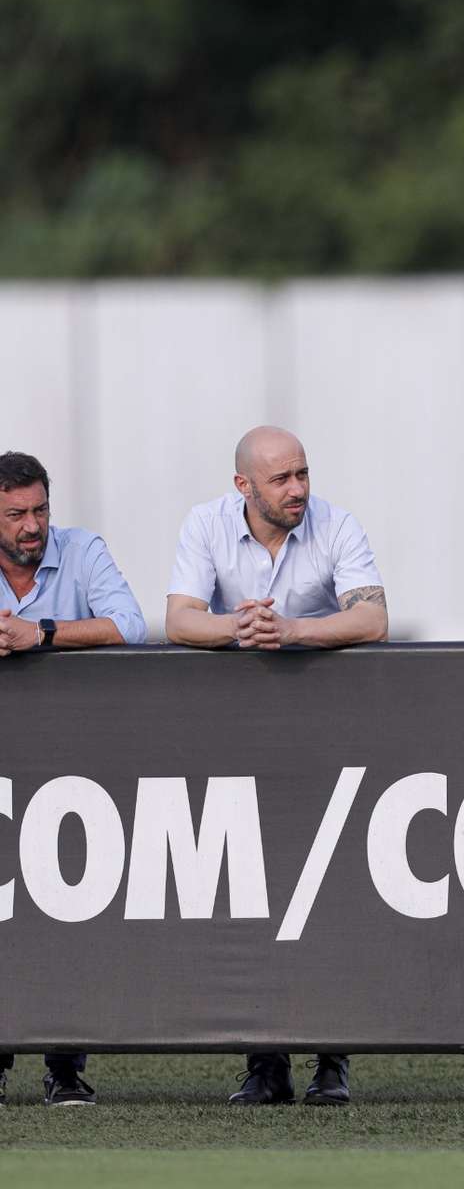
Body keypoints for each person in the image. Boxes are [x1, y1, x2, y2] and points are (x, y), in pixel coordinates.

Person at [165, 425, 387, 1106]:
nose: (298, 489)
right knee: (252, 896)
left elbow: (373, 618)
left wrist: (290, 631)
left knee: (333, 897)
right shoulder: (204, 524)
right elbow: (179, 620)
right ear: (243, 487)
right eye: (281, 479)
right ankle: (266, 1064)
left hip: (328, 738)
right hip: (241, 742)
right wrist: (241, 626)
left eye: (302, 474)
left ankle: (333, 1060)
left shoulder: (337, 525)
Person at [0, 450, 147, 1107]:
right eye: (15, 515)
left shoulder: (81, 550)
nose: (31, 527)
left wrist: (44, 633)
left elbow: (132, 626)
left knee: (68, 912)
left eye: (39, 510)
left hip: (72, 769)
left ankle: (65, 1066)